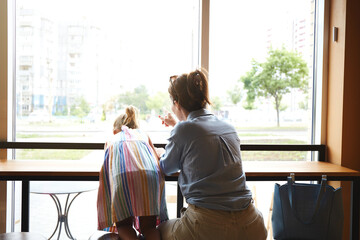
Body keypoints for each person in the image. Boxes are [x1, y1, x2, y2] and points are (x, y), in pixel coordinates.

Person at [157, 69, 267, 240]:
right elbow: (199, 137)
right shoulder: (228, 126)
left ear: (177, 103)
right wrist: (178, 125)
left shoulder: (184, 129)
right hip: (252, 225)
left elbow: (166, 167)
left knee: (159, 230)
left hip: (208, 227)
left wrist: (158, 153)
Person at [97, 106, 168, 240]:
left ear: (114, 130)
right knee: (149, 227)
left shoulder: (111, 140)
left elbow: (108, 165)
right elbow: (154, 157)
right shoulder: (143, 135)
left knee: (124, 226)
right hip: (149, 176)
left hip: (122, 177)